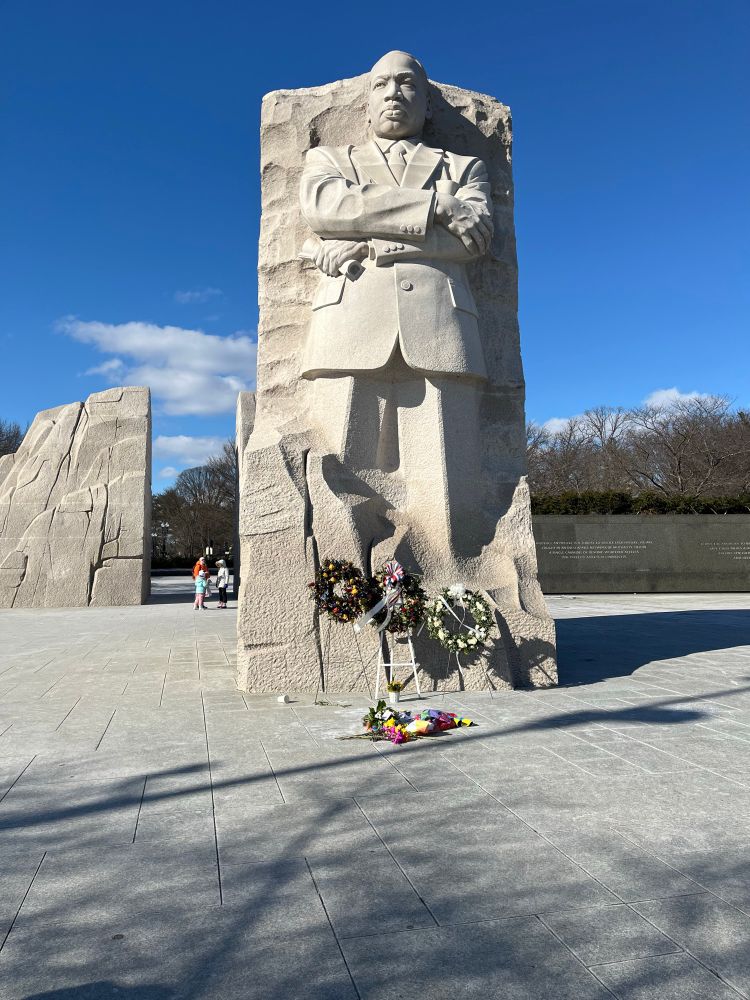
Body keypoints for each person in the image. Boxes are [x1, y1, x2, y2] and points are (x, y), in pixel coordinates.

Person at [299, 49, 494, 564]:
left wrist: (371, 240)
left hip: (440, 325)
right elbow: (327, 209)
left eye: (407, 84)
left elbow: (473, 242)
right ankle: (339, 590)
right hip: (349, 323)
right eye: (381, 84)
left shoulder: (464, 165)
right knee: (337, 470)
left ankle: (453, 577)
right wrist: (436, 206)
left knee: (447, 481)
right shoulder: (329, 162)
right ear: (365, 102)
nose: (393, 94)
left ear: (427, 103)